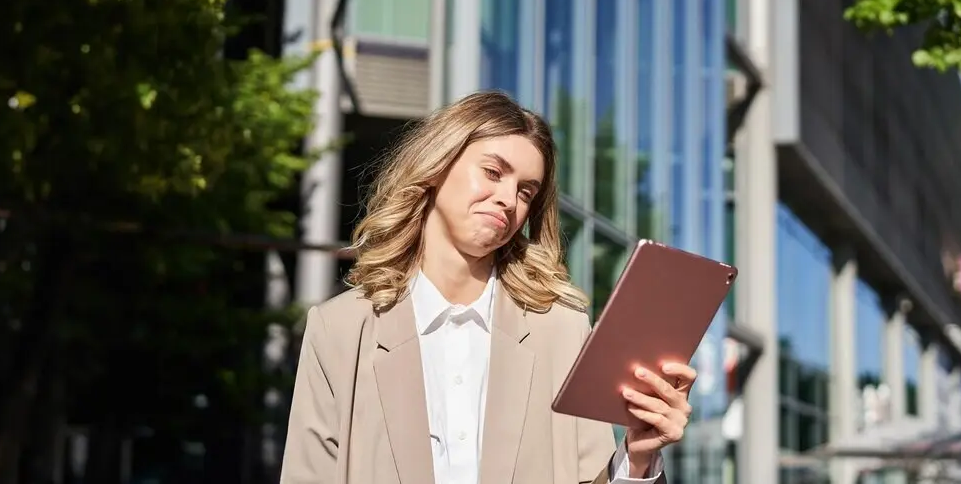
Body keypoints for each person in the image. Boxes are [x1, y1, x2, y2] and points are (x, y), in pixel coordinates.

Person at [280, 91, 695, 484]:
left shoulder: (562, 333)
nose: (507, 199)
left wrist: (639, 458)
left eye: (526, 191)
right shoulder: (340, 329)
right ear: (436, 165)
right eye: (493, 172)